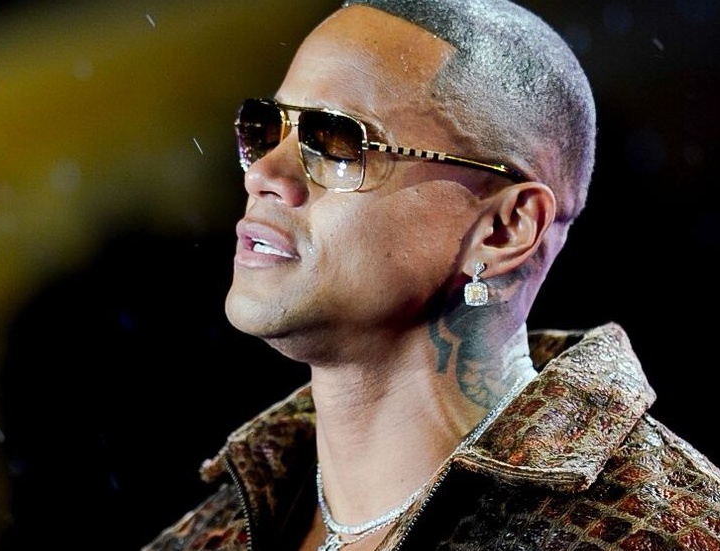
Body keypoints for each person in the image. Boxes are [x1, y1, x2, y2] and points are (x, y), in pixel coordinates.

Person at [142, 0, 720, 550]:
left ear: (504, 229)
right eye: (267, 130)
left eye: (338, 143)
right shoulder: (204, 536)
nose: (264, 175)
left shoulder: (662, 532)